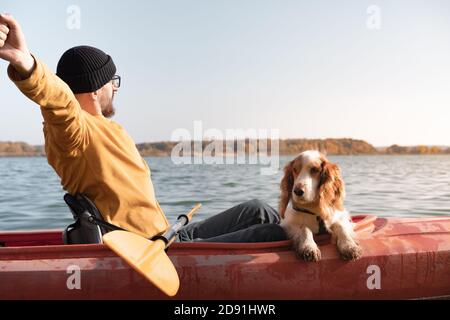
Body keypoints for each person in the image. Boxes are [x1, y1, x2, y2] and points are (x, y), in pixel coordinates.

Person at [0, 13, 287, 243]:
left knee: (259, 209)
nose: (116, 88)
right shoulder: (73, 129)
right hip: (148, 253)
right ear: (95, 89)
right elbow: (57, 99)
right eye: (113, 81)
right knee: (276, 234)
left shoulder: (109, 129)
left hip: (168, 236)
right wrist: (25, 63)